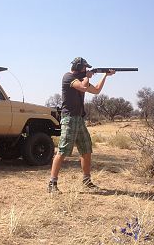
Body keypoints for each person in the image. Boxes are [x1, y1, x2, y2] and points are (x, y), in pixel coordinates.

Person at [48, 57, 115, 193]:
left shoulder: (81, 79)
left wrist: (105, 76)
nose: (87, 70)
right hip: (69, 119)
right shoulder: (68, 77)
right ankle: (52, 184)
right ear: (79, 67)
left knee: (86, 149)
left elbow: (96, 90)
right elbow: (83, 87)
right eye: (85, 68)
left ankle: (87, 180)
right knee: (63, 151)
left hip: (78, 119)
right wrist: (87, 77)